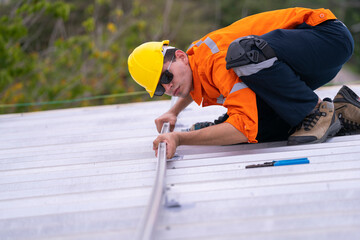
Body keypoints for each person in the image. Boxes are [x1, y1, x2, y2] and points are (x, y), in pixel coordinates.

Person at [128, 7, 358, 159]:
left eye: (166, 78)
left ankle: (316, 111)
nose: (168, 88)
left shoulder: (215, 60)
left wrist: (179, 138)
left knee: (244, 53)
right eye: (160, 89)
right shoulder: (195, 68)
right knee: (261, 126)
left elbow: (242, 128)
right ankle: (342, 110)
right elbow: (189, 83)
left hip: (326, 37)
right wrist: (174, 112)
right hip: (311, 60)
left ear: (180, 56)